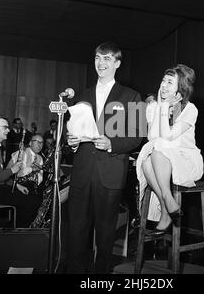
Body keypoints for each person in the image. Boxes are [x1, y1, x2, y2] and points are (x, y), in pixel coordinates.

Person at [66, 41, 142, 273]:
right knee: (77, 229)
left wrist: (112, 143)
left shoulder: (131, 95)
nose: (101, 63)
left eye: (107, 58)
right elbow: (71, 132)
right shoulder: (82, 95)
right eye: (98, 58)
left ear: (117, 63)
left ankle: (101, 275)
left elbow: (138, 136)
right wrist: (71, 141)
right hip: (81, 171)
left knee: (106, 232)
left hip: (110, 172)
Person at [136, 64, 203, 235]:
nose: (163, 85)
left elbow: (168, 137)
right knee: (146, 159)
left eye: (170, 82)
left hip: (185, 160)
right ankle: (166, 200)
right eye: (163, 80)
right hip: (161, 162)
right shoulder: (152, 108)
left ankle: (166, 203)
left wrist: (165, 109)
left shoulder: (190, 109)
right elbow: (152, 137)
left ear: (180, 90)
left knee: (157, 150)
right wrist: (160, 107)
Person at [6, 134, 44, 226]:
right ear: (30, 143)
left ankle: (31, 228)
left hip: (33, 188)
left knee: (41, 201)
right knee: (29, 202)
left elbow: (40, 179)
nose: (39, 145)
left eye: (41, 143)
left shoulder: (40, 158)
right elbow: (9, 174)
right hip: (16, 186)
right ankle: (19, 228)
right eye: (37, 142)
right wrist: (31, 169)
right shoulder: (20, 153)